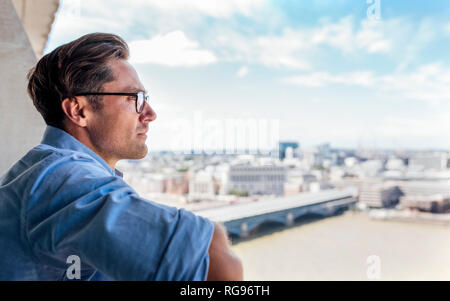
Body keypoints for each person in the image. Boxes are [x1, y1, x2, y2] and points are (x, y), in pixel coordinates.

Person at [0, 33, 243, 281]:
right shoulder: (63, 178)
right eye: (133, 98)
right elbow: (210, 252)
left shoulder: (40, 173)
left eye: (145, 99)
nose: (149, 113)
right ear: (79, 110)